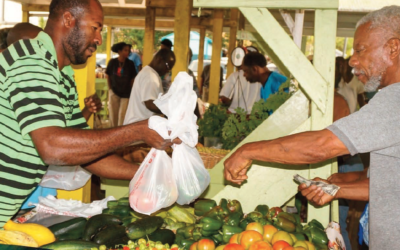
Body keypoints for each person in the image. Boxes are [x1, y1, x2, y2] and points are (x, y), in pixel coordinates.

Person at [223, 6, 400, 249]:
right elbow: (386, 182)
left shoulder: (395, 100)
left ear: (393, 47)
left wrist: (247, 151)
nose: (352, 60)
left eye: (360, 50)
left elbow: (321, 146)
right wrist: (337, 185)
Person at [0, 0, 177, 227]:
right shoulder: (31, 60)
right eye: (95, 28)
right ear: (68, 20)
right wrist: (138, 131)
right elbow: (52, 147)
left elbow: (88, 154)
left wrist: (148, 173)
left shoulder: (62, 73)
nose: (99, 39)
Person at [124, 49, 176, 124]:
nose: (168, 71)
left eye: (170, 69)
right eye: (168, 66)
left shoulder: (149, 72)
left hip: (137, 125)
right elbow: (150, 104)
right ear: (159, 59)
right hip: (137, 126)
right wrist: (171, 110)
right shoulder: (150, 77)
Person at [106, 42, 137, 127]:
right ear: (119, 51)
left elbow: (132, 78)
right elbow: (108, 75)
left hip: (126, 93)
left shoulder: (130, 64)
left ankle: (120, 134)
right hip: (114, 92)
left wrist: (132, 91)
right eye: (125, 50)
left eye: (128, 50)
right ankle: (112, 133)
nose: (127, 52)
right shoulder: (112, 62)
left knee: (123, 116)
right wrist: (110, 89)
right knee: (113, 115)